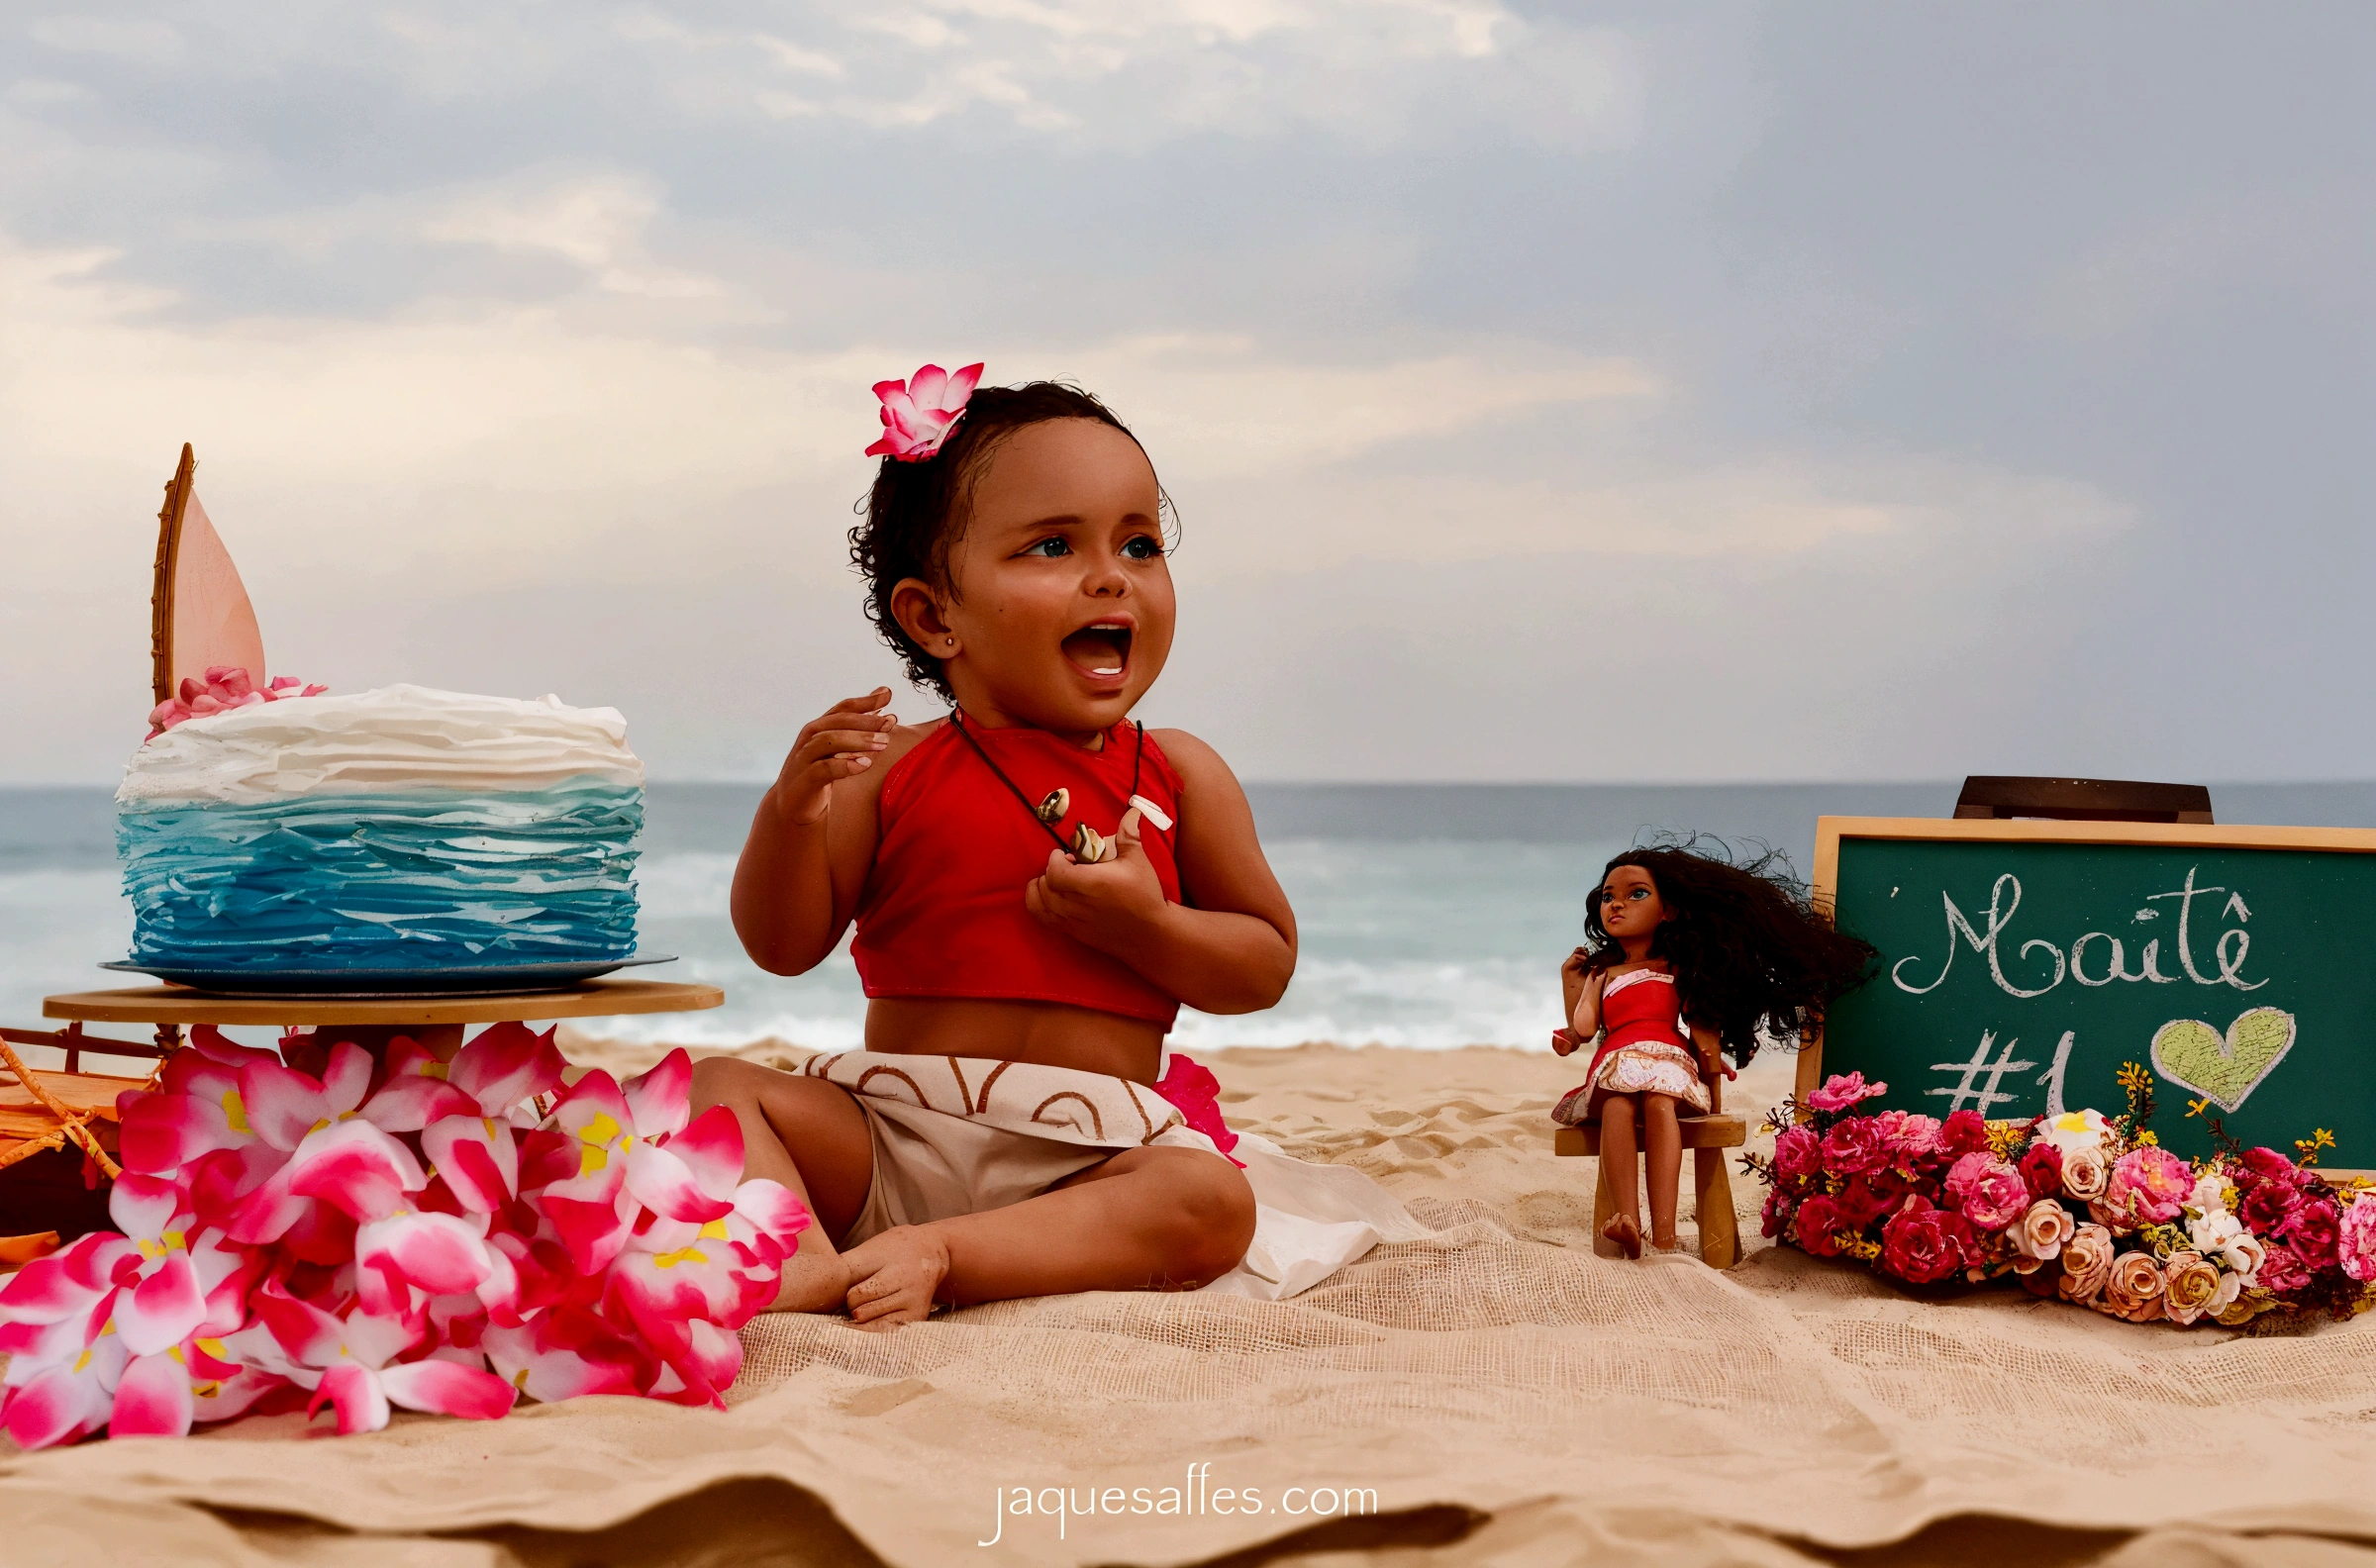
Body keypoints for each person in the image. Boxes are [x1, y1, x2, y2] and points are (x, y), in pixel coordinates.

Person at [693, 365, 1299, 1329]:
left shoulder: (1181, 773)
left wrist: (1149, 926)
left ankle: (942, 1251)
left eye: (1140, 543)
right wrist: (790, 814)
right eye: (1054, 546)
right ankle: (801, 1258)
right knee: (712, 1085)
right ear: (936, 616)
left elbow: (1261, 966)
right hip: (891, 1131)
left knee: (1209, 1201)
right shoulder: (888, 766)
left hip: (1090, 1159)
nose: (1112, 575)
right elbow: (783, 943)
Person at [1550, 842, 1875, 1257]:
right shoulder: (1603, 973)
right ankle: (1627, 1220)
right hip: (1617, 1059)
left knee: (1658, 1104)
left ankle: (1664, 1232)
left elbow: (1700, 1020)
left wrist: (1712, 1060)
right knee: (1616, 1106)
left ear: (1667, 911)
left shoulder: (1677, 968)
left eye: (1636, 894)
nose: (1616, 905)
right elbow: (1583, 1026)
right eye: (1608, 897)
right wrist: (1570, 988)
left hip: (1668, 1059)